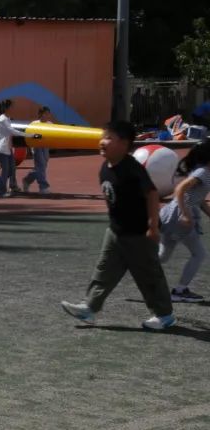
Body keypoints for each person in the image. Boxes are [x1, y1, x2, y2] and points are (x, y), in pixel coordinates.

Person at [61, 121, 176, 330]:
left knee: (148, 275)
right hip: (115, 231)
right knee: (104, 271)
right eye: (102, 137)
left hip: (138, 233)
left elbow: (151, 193)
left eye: (109, 138)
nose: (102, 142)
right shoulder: (105, 166)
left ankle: (164, 315)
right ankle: (90, 309)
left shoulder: (132, 168)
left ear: (123, 143)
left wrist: (153, 225)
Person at [158, 140, 210, 303]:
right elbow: (180, 190)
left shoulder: (203, 171)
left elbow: (199, 199)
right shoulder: (202, 172)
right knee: (199, 254)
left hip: (173, 215)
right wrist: (186, 214)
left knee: (163, 256)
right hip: (180, 217)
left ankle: (131, 263)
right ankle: (180, 291)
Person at [0, 99, 26, 197]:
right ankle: (1, 191)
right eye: (11, 107)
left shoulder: (8, 118)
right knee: (6, 169)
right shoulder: (2, 119)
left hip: (8, 148)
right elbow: (12, 131)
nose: (13, 109)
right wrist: (26, 134)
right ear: (6, 108)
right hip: (1, 148)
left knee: (11, 169)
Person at [23, 106, 54, 194]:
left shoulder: (50, 124)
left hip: (46, 147)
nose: (47, 115)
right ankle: (43, 187)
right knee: (41, 165)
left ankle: (27, 180)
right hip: (37, 147)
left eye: (48, 113)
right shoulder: (34, 124)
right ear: (40, 114)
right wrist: (39, 136)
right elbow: (31, 136)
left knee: (41, 167)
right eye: (46, 113)